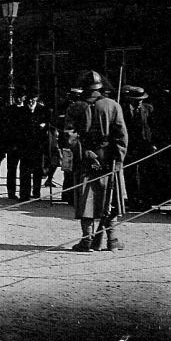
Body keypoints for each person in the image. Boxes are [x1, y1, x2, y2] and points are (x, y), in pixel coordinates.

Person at [66, 70, 128, 252]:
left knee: (87, 199)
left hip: (86, 158)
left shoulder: (75, 107)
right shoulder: (113, 105)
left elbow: (70, 136)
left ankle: (87, 240)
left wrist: (86, 154)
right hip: (109, 157)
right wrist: (118, 158)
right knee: (111, 197)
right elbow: (121, 136)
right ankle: (112, 239)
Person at [120, 85, 154, 210]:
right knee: (130, 174)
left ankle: (146, 201)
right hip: (130, 146)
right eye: (136, 100)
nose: (139, 102)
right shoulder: (123, 110)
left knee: (145, 174)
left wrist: (153, 143)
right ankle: (133, 200)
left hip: (145, 146)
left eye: (141, 100)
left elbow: (153, 127)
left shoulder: (148, 109)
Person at [19, 94, 48, 201]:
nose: (31, 101)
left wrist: (43, 126)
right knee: (24, 170)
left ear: (36, 98)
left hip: (38, 145)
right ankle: (24, 194)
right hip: (25, 145)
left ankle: (36, 193)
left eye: (33, 99)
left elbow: (48, 126)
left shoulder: (43, 110)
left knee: (37, 170)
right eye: (29, 99)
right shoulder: (22, 110)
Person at [3, 91, 28, 200]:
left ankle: (24, 193)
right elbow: (6, 128)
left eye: (20, 97)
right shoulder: (8, 110)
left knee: (24, 169)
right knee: (11, 169)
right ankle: (11, 192)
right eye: (16, 97)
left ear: (24, 97)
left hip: (24, 145)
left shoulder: (27, 110)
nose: (18, 99)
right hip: (12, 145)